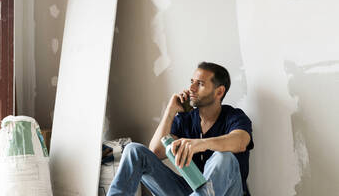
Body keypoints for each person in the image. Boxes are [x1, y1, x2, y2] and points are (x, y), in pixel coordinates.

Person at [107, 62, 254, 196]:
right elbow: (156, 152)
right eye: (192, 82)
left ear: (219, 92)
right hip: (191, 191)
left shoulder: (234, 116)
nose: (191, 88)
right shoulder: (186, 119)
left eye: (200, 84)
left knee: (224, 157)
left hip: (229, 192)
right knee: (134, 150)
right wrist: (170, 112)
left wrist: (200, 144)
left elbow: (239, 142)